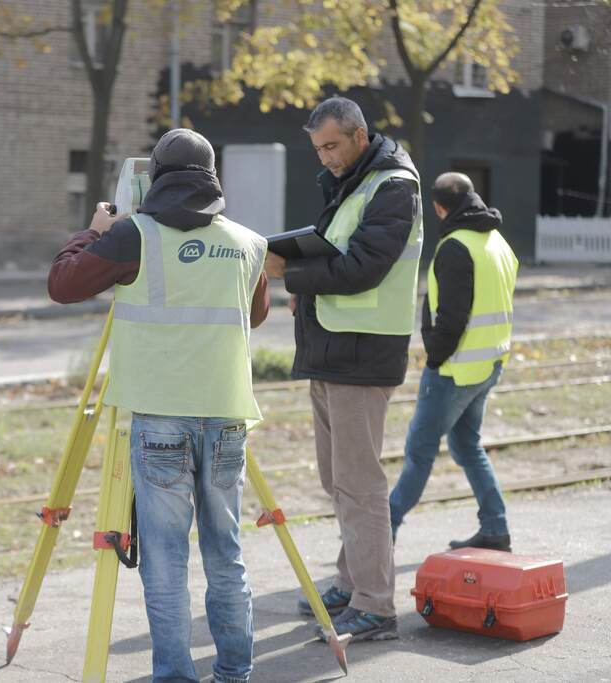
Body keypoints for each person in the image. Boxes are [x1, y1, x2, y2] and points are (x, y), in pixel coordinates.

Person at [49, 128, 270, 683]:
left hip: (160, 419)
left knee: (167, 562)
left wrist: (92, 233)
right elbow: (256, 314)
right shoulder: (249, 242)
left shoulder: (132, 235)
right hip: (226, 417)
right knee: (227, 555)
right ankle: (235, 672)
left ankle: (175, 676)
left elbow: (64, 285)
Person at [263, 96, 422, 642]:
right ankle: (353, 581)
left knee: (359, 483)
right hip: (334, 343)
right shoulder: (356, 180)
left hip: (363, 349)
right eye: (318, 148)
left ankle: (376, 604)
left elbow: (363, 267)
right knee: (339, 479)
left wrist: (294, 274)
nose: (325, 157)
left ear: (359, 135)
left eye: (332, 146)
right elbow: (339, 249)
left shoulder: (393, 186)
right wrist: (302, 281)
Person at [389, 172, 518, 551]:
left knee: (419, 452)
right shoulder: (498, 243)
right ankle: (495, 528)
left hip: (454, 370)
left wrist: (434, 360)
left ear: (439, 207)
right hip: (489, 363)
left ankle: (382, 532)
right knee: (466, 446)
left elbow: (451, 319)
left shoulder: (454, 247)